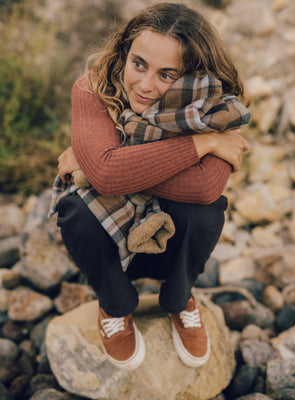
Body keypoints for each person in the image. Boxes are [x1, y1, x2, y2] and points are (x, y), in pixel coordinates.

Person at [51, 3, 251, 371]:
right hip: (112, 238)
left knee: (205, 210)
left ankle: (179, 300)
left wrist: (106, 161)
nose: (144, 85)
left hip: (171, 240)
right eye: (138, 63)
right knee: (76, 208)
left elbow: (204, 187)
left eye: (167, 74)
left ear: (192, 76)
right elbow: (108, 178)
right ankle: (115, 305)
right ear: (124, 53)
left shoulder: (215, 108)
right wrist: (202, 144)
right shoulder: (92, 87)